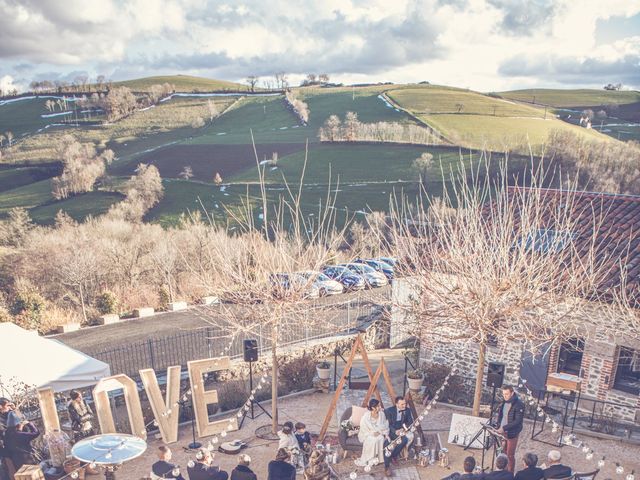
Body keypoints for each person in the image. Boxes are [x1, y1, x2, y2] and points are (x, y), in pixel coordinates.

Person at [495, 385, 525, 473]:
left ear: (512, 393)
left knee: (510, 455)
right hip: (502, 431)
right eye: (503, 394)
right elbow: (502, 416)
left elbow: (518, 421)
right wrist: (498, 425)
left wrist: (504, 428)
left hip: (512, 433)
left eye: (507, 394)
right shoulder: (504, 402)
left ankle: (510, 473)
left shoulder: (519, 404)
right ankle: (503, 470)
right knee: (503, 452)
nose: (505, 396)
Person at [354, 398, 389, 468]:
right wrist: (372, 433)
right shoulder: (366, 416)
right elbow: (363, 428)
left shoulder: (382, 414)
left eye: (379, 406)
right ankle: (370, 459)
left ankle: (378, 459)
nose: (380, 407)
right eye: (378, 406)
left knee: (381, 438)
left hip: (379, 432)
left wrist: (380, 432)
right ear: (373, 408)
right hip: (367, 433)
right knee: (373, 440)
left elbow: (385, 425)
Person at [383, 396, 414, 475]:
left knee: (404, 440)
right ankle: (387, 466)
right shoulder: (389, 411)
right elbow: (388, 424)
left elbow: (410, 422)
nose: (404, 406)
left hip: (401, 430)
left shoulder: (407, 410)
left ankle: (394, 456)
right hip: (391, 431)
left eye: (405, 404)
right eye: (402, 404)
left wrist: (403, 429)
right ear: (397, 404)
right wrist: (395, 431)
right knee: (387, 443)